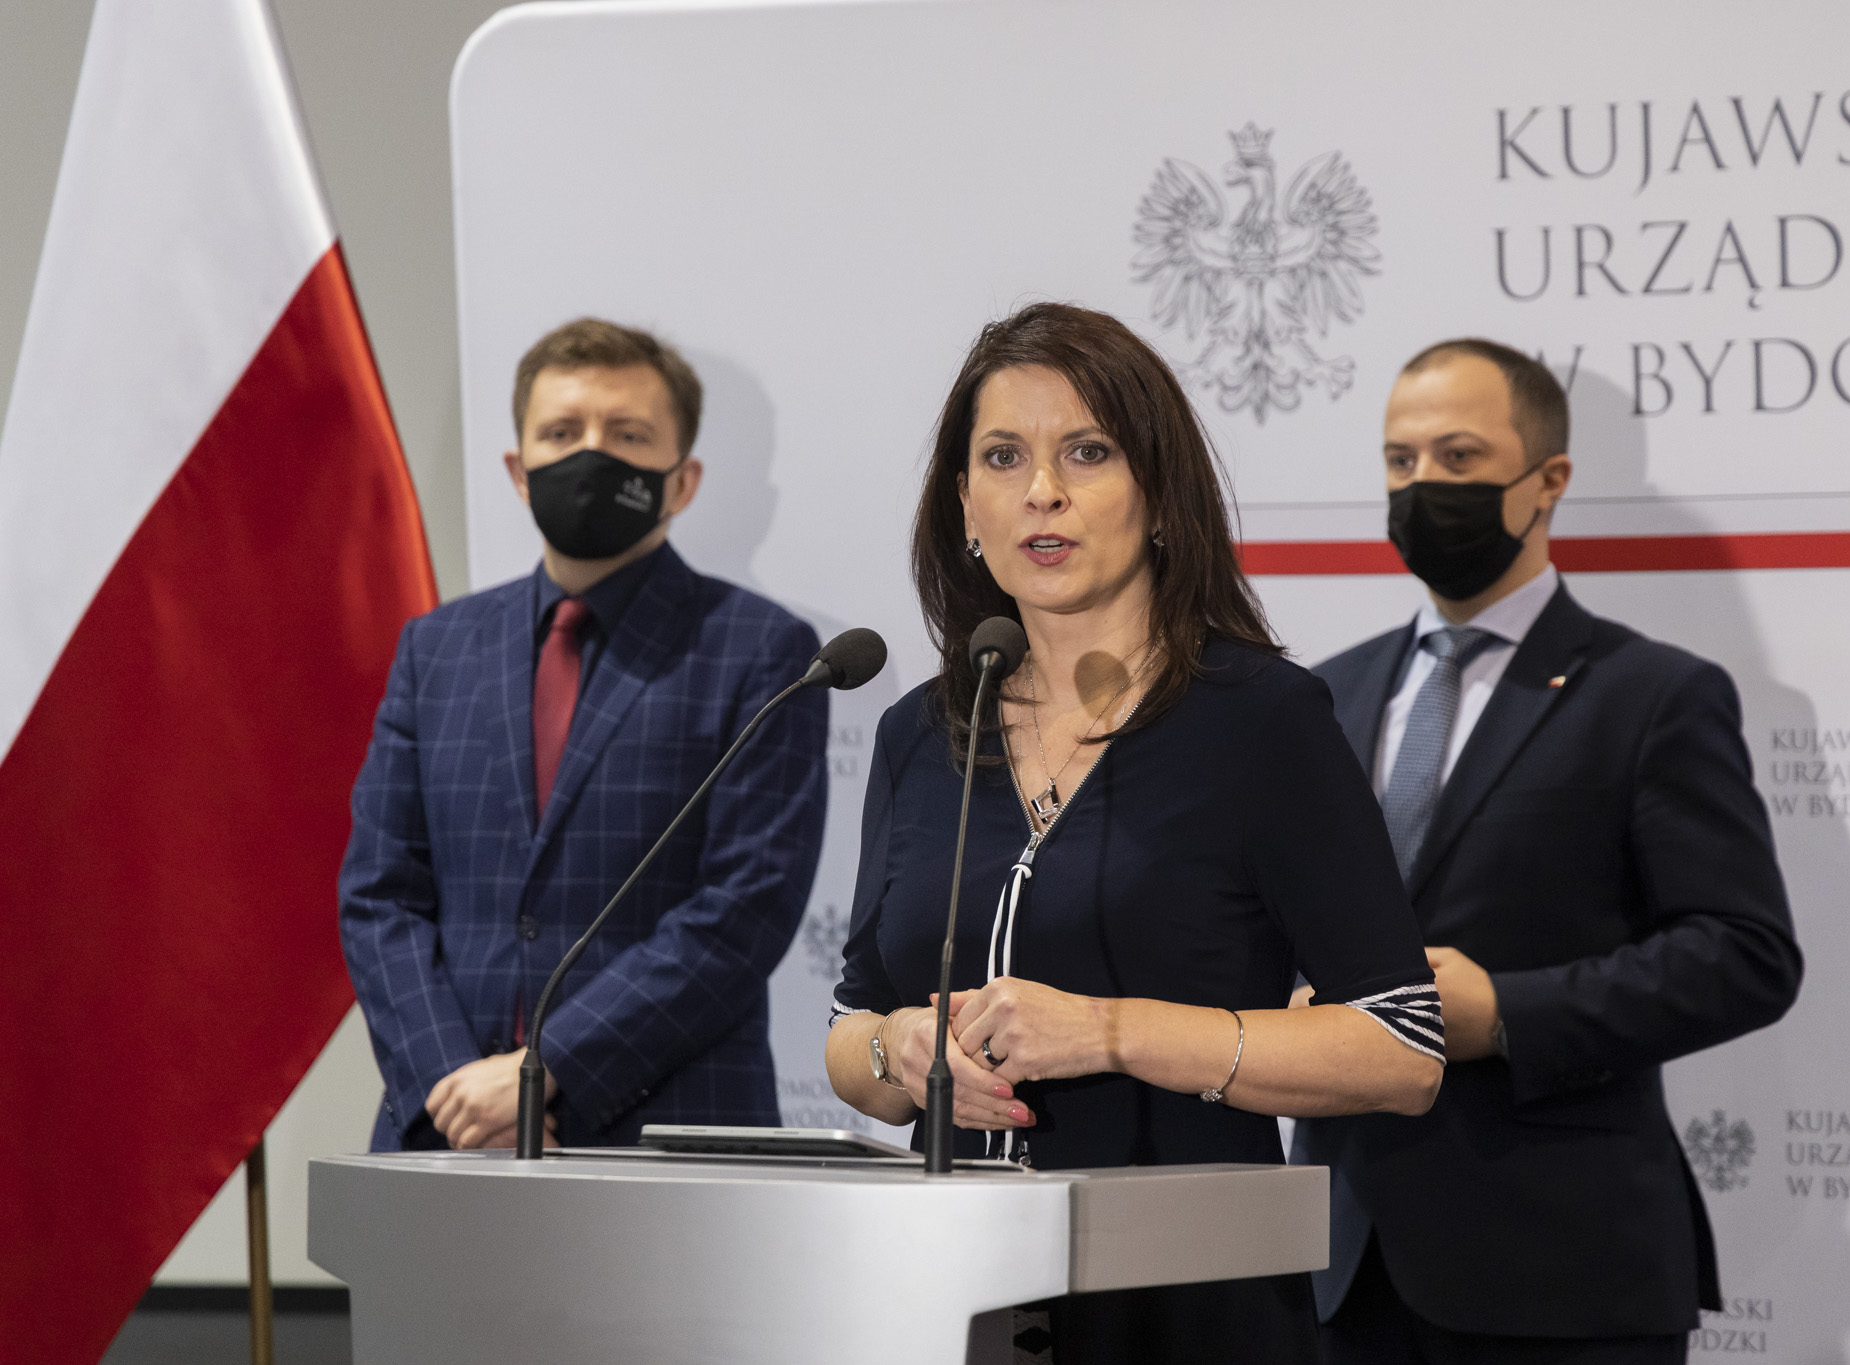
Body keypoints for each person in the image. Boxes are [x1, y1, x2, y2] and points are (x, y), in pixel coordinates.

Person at [825, 302, 1443, 1364]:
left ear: (1157, 492)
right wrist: (900, 1047)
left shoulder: (1260, 719)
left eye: (1087, 451)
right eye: (1003, 457)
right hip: (946, 1298)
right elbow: (849, 1029)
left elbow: (1401, 1044)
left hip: (1186, 1299)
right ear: (964, 506)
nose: (1042, 490)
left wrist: (1110, 1032)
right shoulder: (919, 732)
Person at [1293, 339, 1803, 1364]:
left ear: (1548, 480)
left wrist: (1503, 1013)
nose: (1422, 487)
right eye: (1399, 461)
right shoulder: (1322, 695)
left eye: (1458, 458)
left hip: (1562, 1271)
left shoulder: (1653, 694)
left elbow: (1745, 953)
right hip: (1340, 1265)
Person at [340, 317, 828, 1152]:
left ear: (683, 481)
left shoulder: (762, 650)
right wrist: (454, 1087)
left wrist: (546, 1070)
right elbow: (379, 893)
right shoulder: (436, 648)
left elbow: (745, 906)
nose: (591, 455)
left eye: (628, 435)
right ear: (518, 470)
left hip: (668, 1139)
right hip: (446, 1132)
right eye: (562, 433)